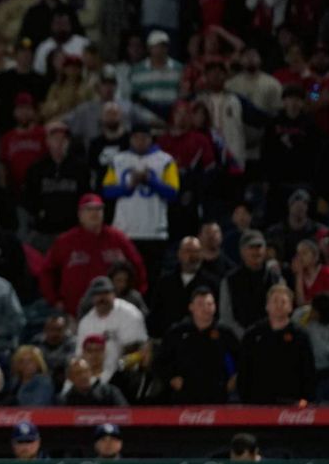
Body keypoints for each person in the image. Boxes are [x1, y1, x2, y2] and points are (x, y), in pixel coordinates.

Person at [40, 194, 146, 316]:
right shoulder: (65, 241)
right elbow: (46, 272)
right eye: (89, 209)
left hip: (115, 312)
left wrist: (134, 296)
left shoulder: (118, 239)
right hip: (75, 313)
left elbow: (137, 267)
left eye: (98, 209)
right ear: (80, 214)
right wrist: (55, 301)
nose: (94, 213)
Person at [102, 123, 179, 279]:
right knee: (125, 277)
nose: (140, 141)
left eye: (144, 138)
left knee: (152, 278)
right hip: (125, 230)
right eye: (136, 138)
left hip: (154, 231)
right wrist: (128, 187)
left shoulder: (165, 160)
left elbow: (172, 193)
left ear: (151, 139)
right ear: (131, 139)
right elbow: (107, 191)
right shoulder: (118, 160)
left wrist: (150, 181)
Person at [237, 285, 316, 404]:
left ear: (290, 307)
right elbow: (244, 371)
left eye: (283, 302)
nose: (279, 305)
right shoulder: (252, 335)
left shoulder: (300, 336)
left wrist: (306, 399)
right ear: (267, 306)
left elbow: (308, 371)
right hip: (258, 402)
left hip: (292, 402)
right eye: (274, 301)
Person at [158, 287, 239, 403]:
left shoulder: (225, 333)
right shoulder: (177, 332)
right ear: (191, 307)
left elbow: (243, 359)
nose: (206, 308)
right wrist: (171, 378)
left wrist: (234, 379)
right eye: (201, 304)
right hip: (184, 396)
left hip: (217, 396)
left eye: (210, 304)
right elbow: (160, 361)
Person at [74, 276, 148, 380]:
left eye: (105, 293)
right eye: (98, 294)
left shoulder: (129, 313)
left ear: (113, 294)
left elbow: (137, 348)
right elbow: (80, 354)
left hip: (123, 372)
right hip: (93, 372)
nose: (102, 298)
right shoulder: (86, 322)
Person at [147, 236, 220, 336]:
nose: (193, 256)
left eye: (197, 251)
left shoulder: (212, 283)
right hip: (170, 339)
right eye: (189, 251)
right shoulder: (165, 282)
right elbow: (155, 314)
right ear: (179, 254)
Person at [59, 356, 128, 406]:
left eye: (86, 371)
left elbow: (126, 413)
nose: (83, 376)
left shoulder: (109, 392)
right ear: (70, 378)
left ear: (91, 373)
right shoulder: (65, 400)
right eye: (78, 373)